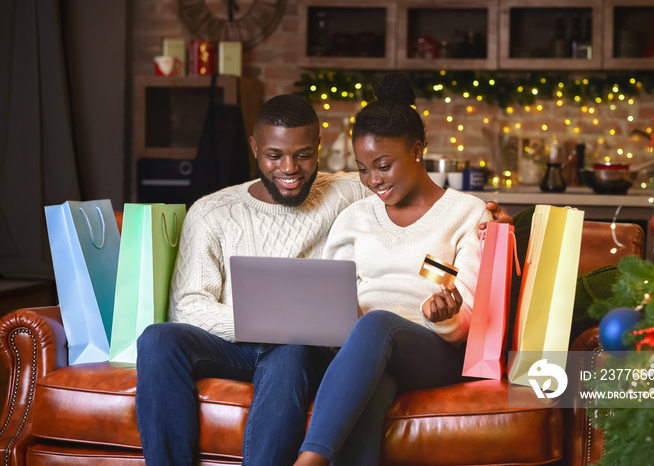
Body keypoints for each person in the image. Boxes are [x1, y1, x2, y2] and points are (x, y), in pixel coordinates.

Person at [135, 92, 509, 465]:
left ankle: (309, 460)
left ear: (318, 149)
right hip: (290, 344)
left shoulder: (373, 196)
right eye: (274, 155)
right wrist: (277, 324)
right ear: (254, 148)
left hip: (375, 343)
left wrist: (504, 231)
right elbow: (188, 306)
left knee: (308, 349)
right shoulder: (219, 212)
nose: (289, 169)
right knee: (158, 339)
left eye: (302, 155)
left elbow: (394, 147)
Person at [294, 73, 490, 466]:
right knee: (374, 388)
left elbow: (469, 320)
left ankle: (308, 462)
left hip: (435, 351)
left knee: (377, 323)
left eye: (383, 165)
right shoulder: (354, 218)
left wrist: (447, 317)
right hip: (363, 353)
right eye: (363, 169)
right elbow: (331, 295)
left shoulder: (467, 213)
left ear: (417, 150)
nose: (373, 181)